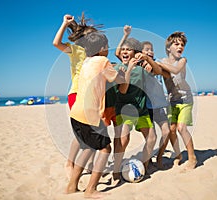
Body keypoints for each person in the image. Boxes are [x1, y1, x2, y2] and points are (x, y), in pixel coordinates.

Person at [65, 31, 132, 198]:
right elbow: (117, 81)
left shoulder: (86, 62)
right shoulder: (103, 61)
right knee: (105, 149)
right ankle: (91, 189)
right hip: (91, 115)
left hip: (75, 113)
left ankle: (71, 186)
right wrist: (126, 72)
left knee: (88, 148)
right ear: (102, 48)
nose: (108, 50)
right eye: (107, 47)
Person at [53, 12, 98, 180]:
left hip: (93, 95)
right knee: (82, 136)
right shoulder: (75, 49)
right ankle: (69, 163)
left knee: (94, 132)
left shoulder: (97, 54)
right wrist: (65, 24)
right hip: (77, 94)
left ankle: (91, 164)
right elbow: (56, 43)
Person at [112, 25, 157, 181]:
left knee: (151, 138)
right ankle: (116, 172)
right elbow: (123, 91)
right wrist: (125, 36)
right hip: (123, 110)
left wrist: (147, 59)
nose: (124, 52)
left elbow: (154, 69)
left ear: (135, 53)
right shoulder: (119, 67)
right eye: (123, 49)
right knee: (123, 141)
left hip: (141, 110)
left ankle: (144, 165)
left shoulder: (142, 67)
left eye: (128, 50)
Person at [159, 31, 197, 171]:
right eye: (176, 44)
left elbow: (174, 71)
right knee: (172, 130)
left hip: (185, 99)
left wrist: (159, 64)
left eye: (182, 44)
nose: (180, 46)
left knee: (181, 128)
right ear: (169, 47)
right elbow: (157, 70)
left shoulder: (182, 61)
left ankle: (192, 158)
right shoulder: (162, 61)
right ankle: (178, 155)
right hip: (172, 100)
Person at [139, 41, 172, 169]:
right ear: (140, 52)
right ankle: (146, 164)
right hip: (146, 107)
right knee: (151, 137)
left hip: (158, 106)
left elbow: (166, 74)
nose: (149, 52)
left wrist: (151, 63)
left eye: (151, 49)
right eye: (146, 49)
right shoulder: (139, 65)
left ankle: (159, 157)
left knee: (166, 131)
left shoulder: (157, 62)